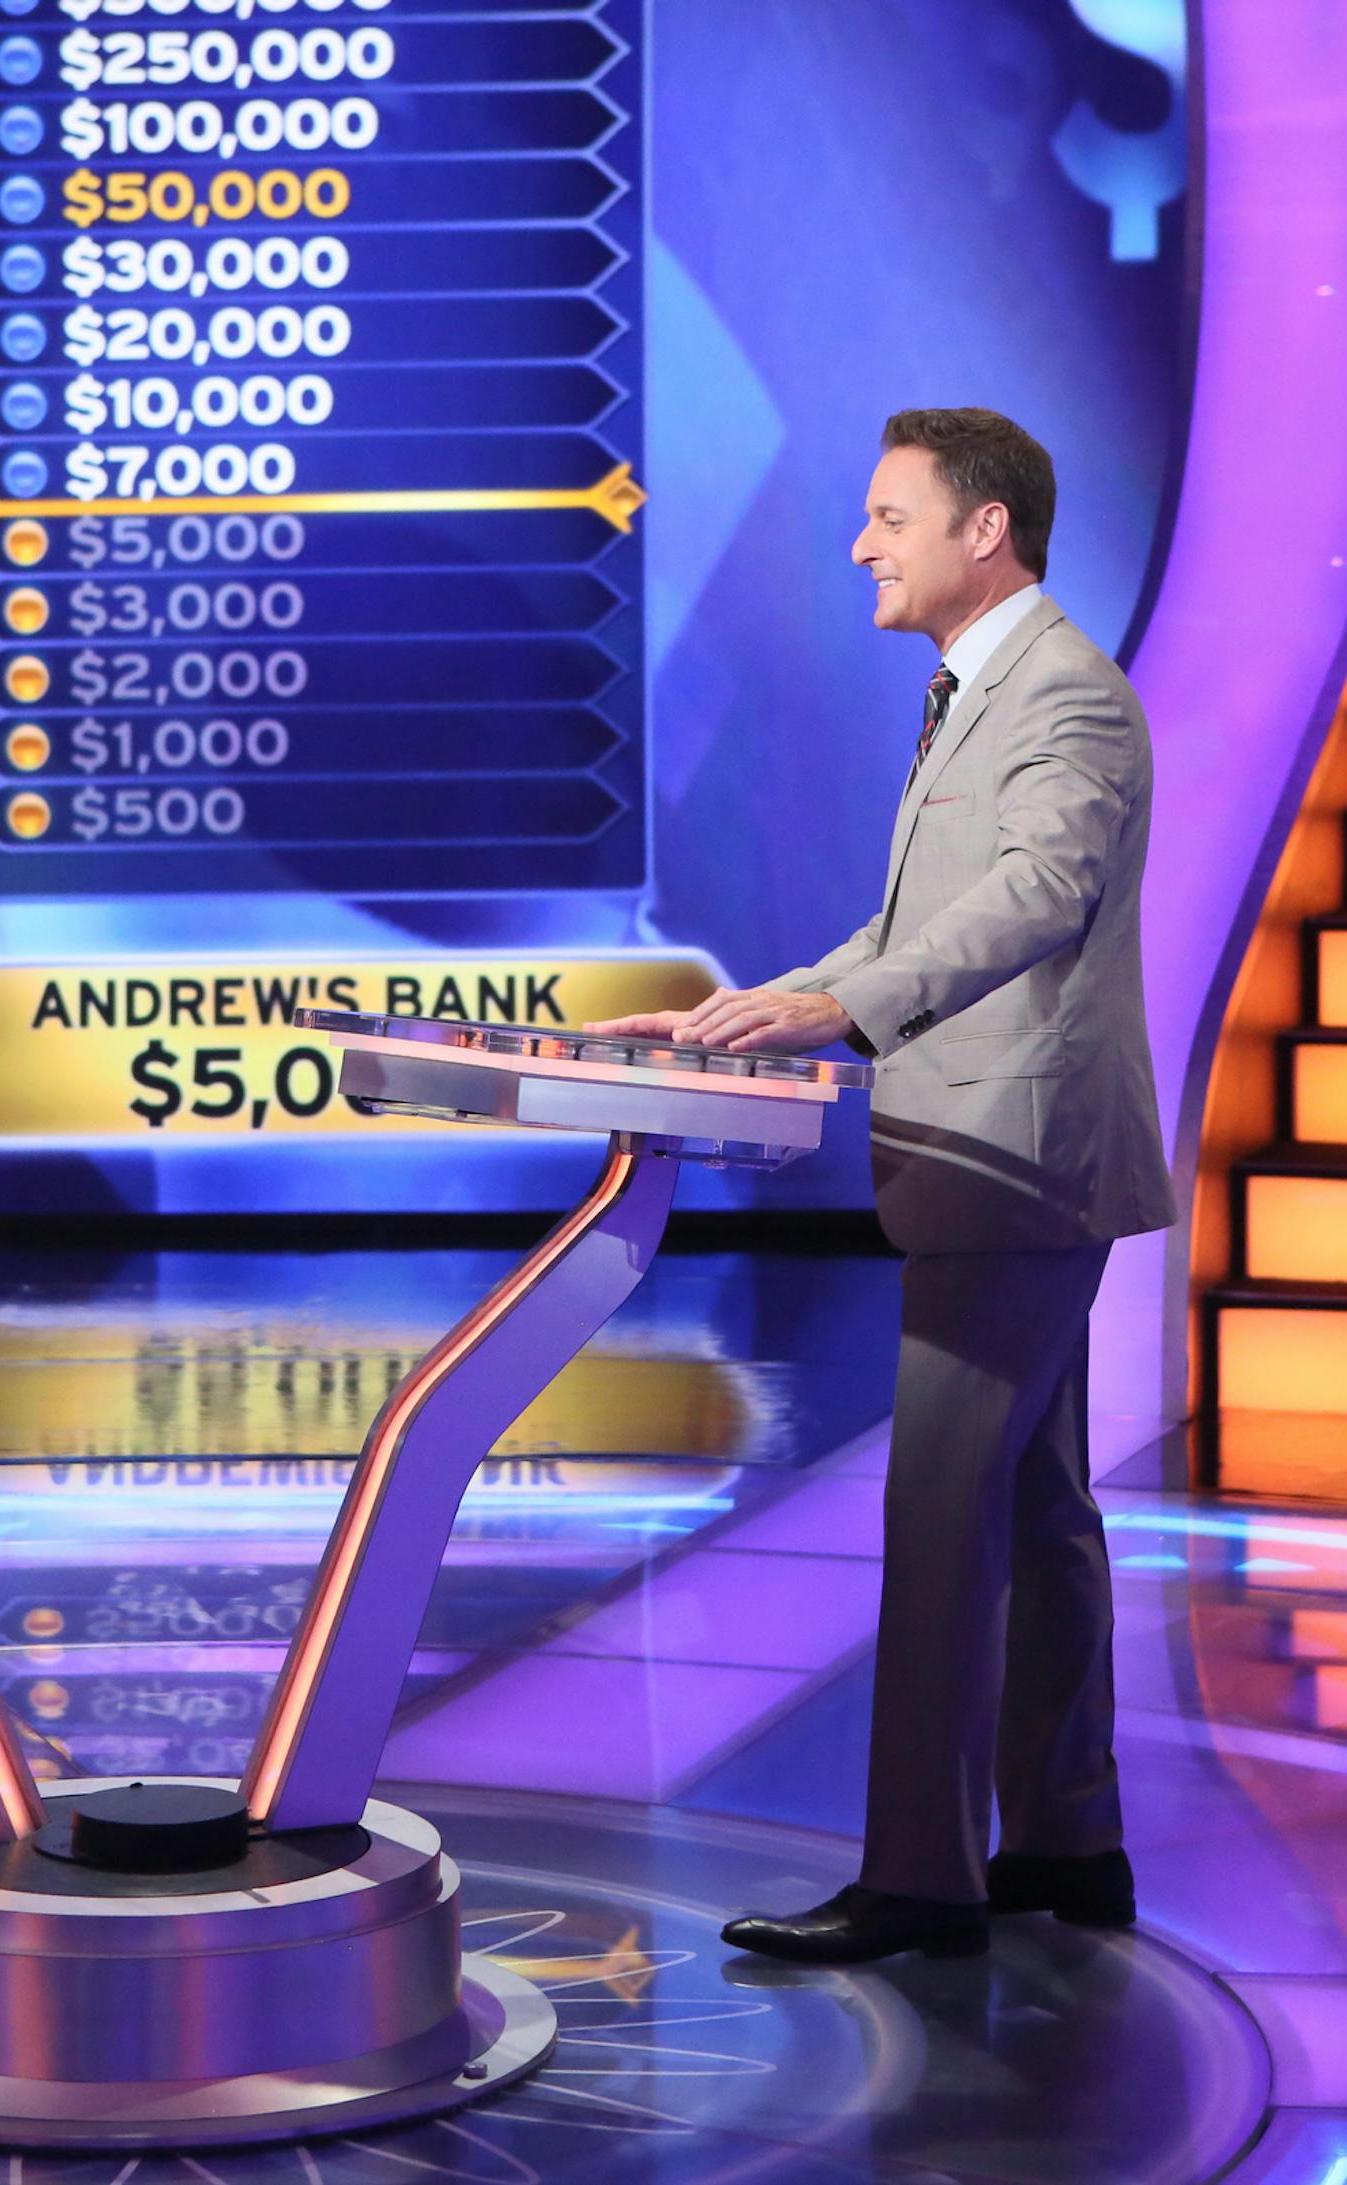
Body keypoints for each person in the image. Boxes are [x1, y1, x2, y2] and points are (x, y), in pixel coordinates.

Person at [594, 409, 1174, 1963]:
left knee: (941, 1519)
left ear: (984, 531)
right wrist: (757, 1005)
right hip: (1000, 1157)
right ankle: (1069, 1841)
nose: (863, 543)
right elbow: (911, 916)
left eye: (889, 515)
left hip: (1016, 1161)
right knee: (1038, 1505)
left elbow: (1037, 897)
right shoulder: (975, 693)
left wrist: (845, 1013)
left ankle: (924, 1878)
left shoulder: (1067, 699)